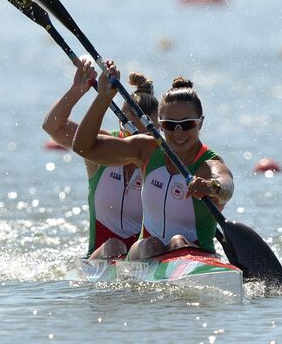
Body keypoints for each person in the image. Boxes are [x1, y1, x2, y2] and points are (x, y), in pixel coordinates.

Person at [72, 60, 234, 260]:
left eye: (187, 124)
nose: (178, 132)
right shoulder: (147, 150)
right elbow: (83, 147)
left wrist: (212, 187)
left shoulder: (208, 164)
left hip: (194, 255)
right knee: (149, 244)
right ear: (159, 124)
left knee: (178, 241)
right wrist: (103, 98)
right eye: (169, 124)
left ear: (200, 123)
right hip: (145, 252)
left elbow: (226, 186)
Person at [42, 58, 159, 259]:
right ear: (122, 122)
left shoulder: (165, 157)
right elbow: (53, 127)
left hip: (143, 254)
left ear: (159, 127)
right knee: (113, 246)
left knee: (152, 244)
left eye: (148, 132)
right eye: (134, 131)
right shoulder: (97, 147)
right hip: (103, 255)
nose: (141, 142)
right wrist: (77, 90)